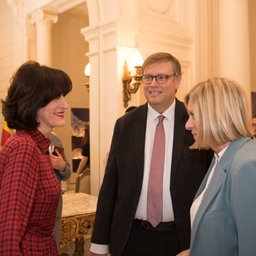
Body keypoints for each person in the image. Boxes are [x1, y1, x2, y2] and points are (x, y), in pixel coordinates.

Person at [89, 52, 213, 256]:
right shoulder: (125, 125)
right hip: (131, 238)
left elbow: (211, 188)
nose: (153, 84)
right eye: (148, 77)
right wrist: (99, 244)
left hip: (183, 240)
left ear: (178, 81)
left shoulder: (196, 123)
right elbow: (110, 186)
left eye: (162, 77)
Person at [0, 60, 72, 255]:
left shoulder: (40, 145)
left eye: (64, 96)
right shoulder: (24, 148)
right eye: (56, 97)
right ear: (34, 101)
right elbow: (9, 230)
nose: (65, 104)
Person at [177, 77, 256, 256]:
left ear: (215, 114)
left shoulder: (247, 164)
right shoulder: (220, 157)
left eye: (193, 115)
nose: (188, 125)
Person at [49, 132, 71, 250]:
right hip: (31, 213)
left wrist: (62, 166)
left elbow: (67, 175)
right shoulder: (24, 141)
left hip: (55, 208)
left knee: (53, 249)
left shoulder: (55, 140)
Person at [76, 124, 90, 193]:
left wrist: (78, 172)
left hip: (86, 171)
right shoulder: (93, 144)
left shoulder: (86, 146)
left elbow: (83, 162)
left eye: (84, 131)